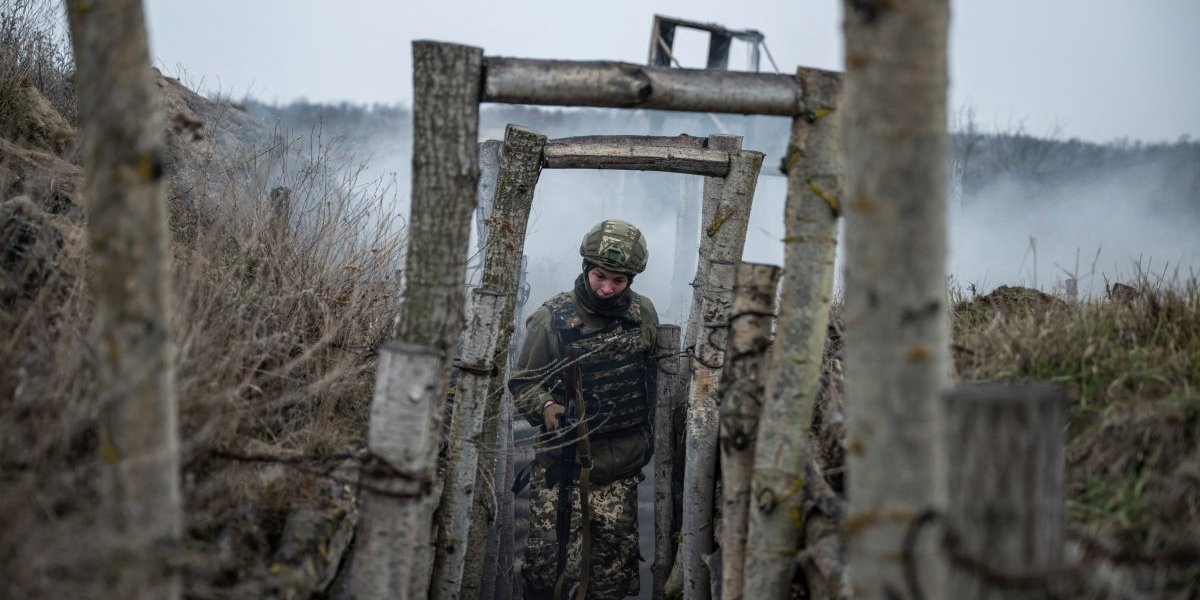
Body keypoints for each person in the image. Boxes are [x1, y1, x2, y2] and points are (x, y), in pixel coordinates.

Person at [509, 219, 659, 600]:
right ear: (585, 269)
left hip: (622, 473)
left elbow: (655, 373)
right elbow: (523, 381)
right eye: (600, 276)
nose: (607, 288)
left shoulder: (643, 314)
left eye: (619, 280)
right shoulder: (551, 319)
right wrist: (547, 407)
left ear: (631, 279)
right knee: (547, 577)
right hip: (564, 472)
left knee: (610, 581)